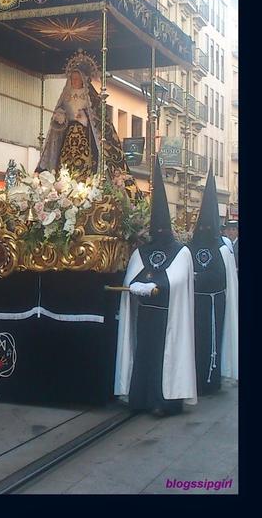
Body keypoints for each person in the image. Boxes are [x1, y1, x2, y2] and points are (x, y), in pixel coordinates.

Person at [114, 157, 197, 417]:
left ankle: (166, 400)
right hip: (146, 316)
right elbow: (131, 278)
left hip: (168, 316)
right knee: (144, 354)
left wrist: (154, 285)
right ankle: (140, 397)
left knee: (164, 356)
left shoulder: (181, 251)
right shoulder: (143, 250)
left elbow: (178, 278)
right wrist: (138, 287)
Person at [36, 52, 134, 185]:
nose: (74, 81)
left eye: (77, 78)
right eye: (72, 78)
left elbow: (99, 121)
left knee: (86, 167)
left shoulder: (91, 97)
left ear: (83, 79)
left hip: (86, 138)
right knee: (64, 167)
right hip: (68, 140)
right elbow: (57, 125)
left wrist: (86, 119)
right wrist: (60, 119)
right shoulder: (65, 97)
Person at [187, 168, 238, 395]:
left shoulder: (223, 251)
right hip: (193, 305)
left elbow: (229, 284)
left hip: (215, 305)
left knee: (211, 344)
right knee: (194, 342)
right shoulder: (189, 249)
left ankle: (211, 379)